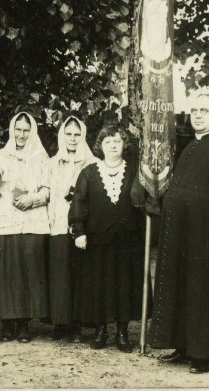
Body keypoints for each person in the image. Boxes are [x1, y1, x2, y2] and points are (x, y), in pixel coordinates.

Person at [149, 94, 209, 374]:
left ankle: (204, 354)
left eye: (205, 110)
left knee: (204, 291)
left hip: (208, 235)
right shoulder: (190, 146)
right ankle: (184, 345)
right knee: (183, 287)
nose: (198, 115)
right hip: (183, 235)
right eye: (194, 110)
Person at [70, 123, 148, 353]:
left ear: (124, 145)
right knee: (99, 284)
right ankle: (101, 330)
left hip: (127, 240)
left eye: (117, 141)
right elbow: (78, 204)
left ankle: (122, 332)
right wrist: (79, 231)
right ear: (100, 146)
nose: (113, 145)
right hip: (97, 240)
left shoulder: (136, 171)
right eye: (107, 141)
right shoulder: (89, 173)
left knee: (124, 285)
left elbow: (147, 200)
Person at [0, 112, 50, 343]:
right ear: (11, 130)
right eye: (18, 129)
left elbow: (48, 190)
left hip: (32, 220)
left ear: (32, 132)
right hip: (5, 219)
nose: (21, 134)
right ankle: (6, 321)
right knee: (7, 272)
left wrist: (32, 199)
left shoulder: (42, 157)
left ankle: (24, 324)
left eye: (26, 130)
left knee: (28, 271)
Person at [46, 116, 97, 341]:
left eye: (77, 134)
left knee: (80, 274)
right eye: (69, 134)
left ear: (83, 136)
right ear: (62, 136)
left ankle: (77, 324)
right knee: (60, 274)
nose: (73, 138)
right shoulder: (52, 163)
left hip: (83, 227)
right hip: (58, 223)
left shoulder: (93, 164)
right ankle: (61, 323)